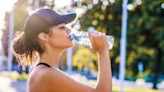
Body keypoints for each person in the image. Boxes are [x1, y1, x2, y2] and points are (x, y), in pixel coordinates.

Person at [11, 9, 112, 92]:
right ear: (43, 36)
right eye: (62, 27)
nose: (69, 30)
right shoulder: (46, 74)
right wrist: (103, 52)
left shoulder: (44, 71)